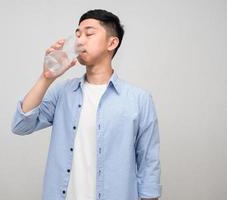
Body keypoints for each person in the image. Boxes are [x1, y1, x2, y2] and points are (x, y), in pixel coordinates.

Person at [11, 9, 162, 200]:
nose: (80, 41)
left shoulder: (139, 99)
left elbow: (149, 162)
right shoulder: (63, 92)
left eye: (89, 34)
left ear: (112, 42)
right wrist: (46, 77)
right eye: (77, 35)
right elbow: (20, 125)